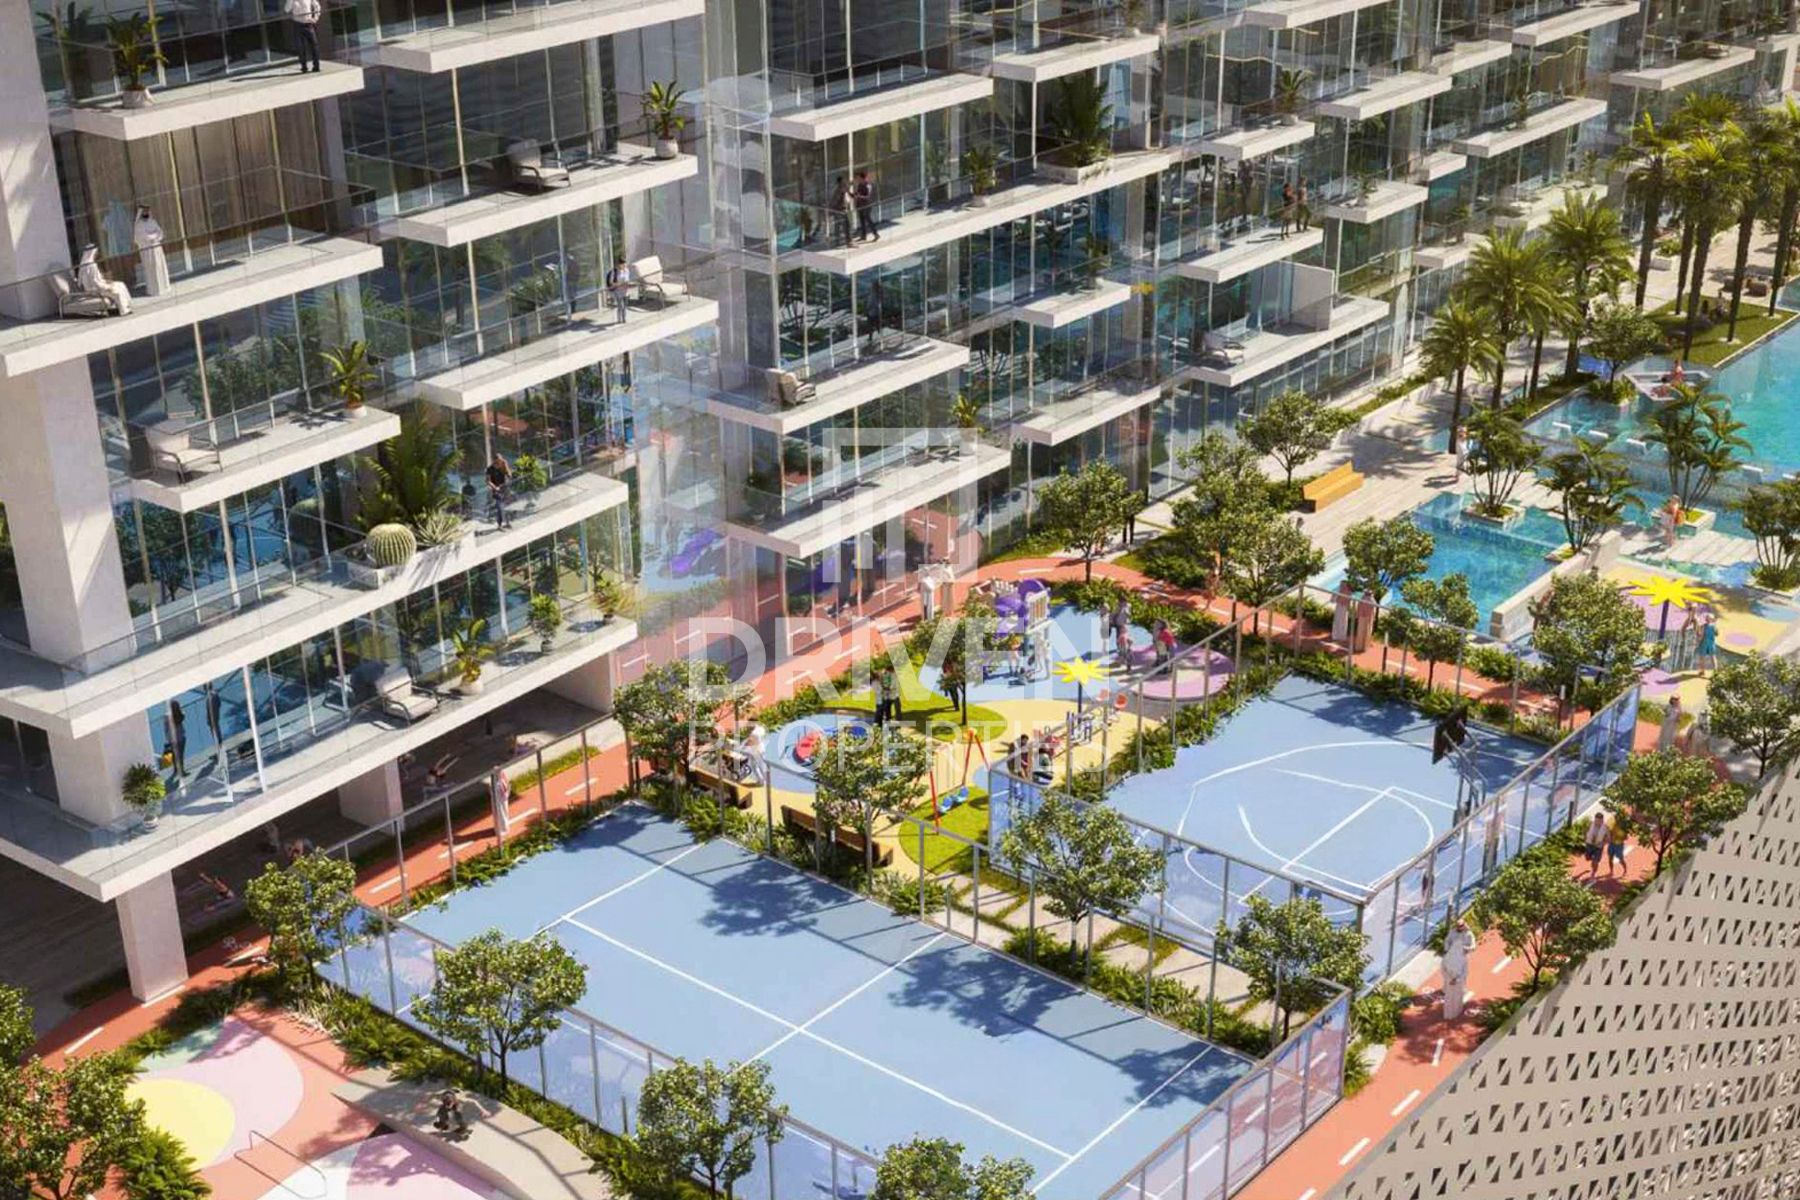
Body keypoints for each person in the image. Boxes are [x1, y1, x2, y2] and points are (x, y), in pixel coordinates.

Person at [77, 245, 131, 314]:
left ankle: (127, 307)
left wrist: (106, 282)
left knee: (120, 284)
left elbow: (96, 279)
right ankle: (124, 310)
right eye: (96, 252)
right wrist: (107, 287)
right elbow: (95, 283)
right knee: (117, 292)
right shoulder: (91, 265)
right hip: (94, 290)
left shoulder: (85, 264)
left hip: (97, 286)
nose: (97, 254)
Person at [1441, 918, 1475, 1020]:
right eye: (1458, 926)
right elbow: (1447, 941)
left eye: (1461, 926)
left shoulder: (1469, 934)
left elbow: (1473, 946)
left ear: (1464, 925)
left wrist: (1465, 949)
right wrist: (1447, 949)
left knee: (1462, 974)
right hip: (1452, 955)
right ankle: (1446, 988)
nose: (1459, 928)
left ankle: (1461, 989)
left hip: (1462, 956)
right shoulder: (1452, 932)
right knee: (1448, 971)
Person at [133, 206, 170, 297]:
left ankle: (164, 287)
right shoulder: (139, 225)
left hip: (157, 248)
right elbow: (143, 237)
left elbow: (160, 232)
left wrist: (154, 236)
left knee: (160, 267)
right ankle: (153, 290)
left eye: (147, 211)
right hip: (147, 250)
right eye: (144, 212)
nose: (146, 213)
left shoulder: (153, 221)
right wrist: (154, 235)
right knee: (151, 269)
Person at [285, 0, 322, 73]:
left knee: (314, 45)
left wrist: (316, 18)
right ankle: (304, 67)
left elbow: (317, 6)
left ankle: (316, 66)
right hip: (298, 24)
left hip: (308, 24)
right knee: (301, 47)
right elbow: (287, 9)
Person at [605, 255, 634, 324]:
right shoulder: (614, 272)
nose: (624, 265)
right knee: (620, 305)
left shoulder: (626, 270)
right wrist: (618, 284)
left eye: (625, 264)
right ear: (619, 264)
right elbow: (611, 282)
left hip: (625, 290)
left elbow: (628, 279)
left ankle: (624, 319)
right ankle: (619, 319)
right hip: (618, 291)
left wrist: (628, 283)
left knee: (625, 306)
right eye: (622, 264)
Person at [485, 453, 511, 529]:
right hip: (496, 490)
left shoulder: (503, 465)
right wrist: (495, 487)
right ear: (495, 460)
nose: (500, 461)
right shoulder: (490, 469)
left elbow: (509, 475)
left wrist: (506, 467)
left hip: (505, 488)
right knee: (500, 507)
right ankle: (500, 525)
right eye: (499, 460)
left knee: (507, 506)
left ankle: (507, 523)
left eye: (501, 460)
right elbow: (487, 481)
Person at [853, 170, 880, 242]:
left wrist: (859, 196)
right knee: (861, 220)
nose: (858, 179)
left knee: (868, 219)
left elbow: (868, 196)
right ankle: (863, 236)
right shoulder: (860, 185)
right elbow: (857, 193)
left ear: (863, 178)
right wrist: (854, 195)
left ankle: (876, 234)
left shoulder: (868, 186)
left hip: (867, 205)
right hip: (860, 205)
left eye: (859, 178)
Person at [1582, 810, 1608, 879]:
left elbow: (1608, 838)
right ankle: (1592, 859)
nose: (1598, 822)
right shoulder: (1590, 824)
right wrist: (1585, 838)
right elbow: (1584, 830)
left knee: (1595, 861)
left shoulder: (1605, 827)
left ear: (1602, 820)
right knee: (1587, 858)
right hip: (1589, 845)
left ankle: (1593, 874)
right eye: (1596, 820)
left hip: (1598, 847)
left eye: (1600, 821)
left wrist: (1603, 843)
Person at [831, 177, 856, 247]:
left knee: (838, 226)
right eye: (843, 182)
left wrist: (852, 191)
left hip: (840, 210)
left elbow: (851, 195)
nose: (845, 183)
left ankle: (837, 242)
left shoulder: (842, 189)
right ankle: (848, 242)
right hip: (840, 210)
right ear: (840, 182)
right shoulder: (840, 190)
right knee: (846, 226)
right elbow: (835, 201)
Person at [1352, 589, 1377, 653]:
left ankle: (1358, 647)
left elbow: (1358, 608)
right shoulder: (1372, 600)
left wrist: (1357, 616)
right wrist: (1373, 618)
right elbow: (1374, 611)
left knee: (1360, 631)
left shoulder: (1362, 598)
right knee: (1367, 632)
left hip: (1361, 617)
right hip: (1369, 618)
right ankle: (1365, 647)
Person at [1604, 813, 1628, 878]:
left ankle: (1625, 870)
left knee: (1621, 859)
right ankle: (1611, 871)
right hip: (1612, 844)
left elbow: (1626, 837)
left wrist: (1619, 837)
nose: (1616, 819)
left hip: (1619, 845)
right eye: (1616, 818)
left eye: (1618, 818)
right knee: (1610, 858)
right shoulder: (1612, 824)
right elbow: (1609, 831)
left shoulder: (1623, 827)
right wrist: (1610, 836)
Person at [1331, 577, 1353, 644]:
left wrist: (1335, 597)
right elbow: (1333, 600)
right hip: (1340, 607)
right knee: (1338, 621)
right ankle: (1337, 636)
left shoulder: (1347, 592)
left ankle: (1340, 636)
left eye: (1342, 585)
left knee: (1341, 622)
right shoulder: (1342, 591)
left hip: (1343, 608)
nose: (1341, 586)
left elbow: (1346, 601)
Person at [1695, 609, 1719, 673]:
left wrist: (1697, 642)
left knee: (1702, 657)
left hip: (1704, 643)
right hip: (1711, 643)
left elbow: (1701, 635)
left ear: (1706, 619)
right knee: (1713, 657)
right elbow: (1717, 634)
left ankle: (1702, 671)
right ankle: (1715, 671)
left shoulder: (1703, 626)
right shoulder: (1714, 627)